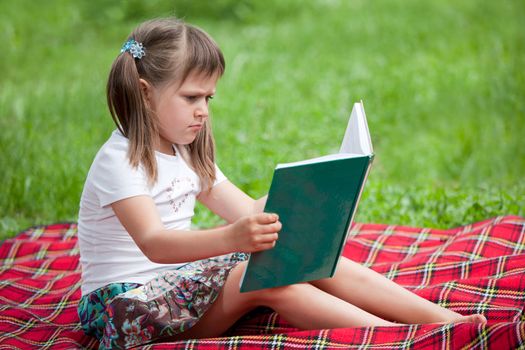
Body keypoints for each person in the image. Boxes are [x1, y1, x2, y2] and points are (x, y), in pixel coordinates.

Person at [77, 17, 486, 349]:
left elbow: (248, 212)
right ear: (146, 95)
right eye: (191, 97)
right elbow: (155, 243)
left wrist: (317, 191)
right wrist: (232, 238)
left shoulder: (184, 152)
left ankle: (444, 322)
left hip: (179, 292)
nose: (203, 111)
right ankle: (402, 341)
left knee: (303, 256)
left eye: (209, 99)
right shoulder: (120, 160)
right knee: (268, 274)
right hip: (126, 309)